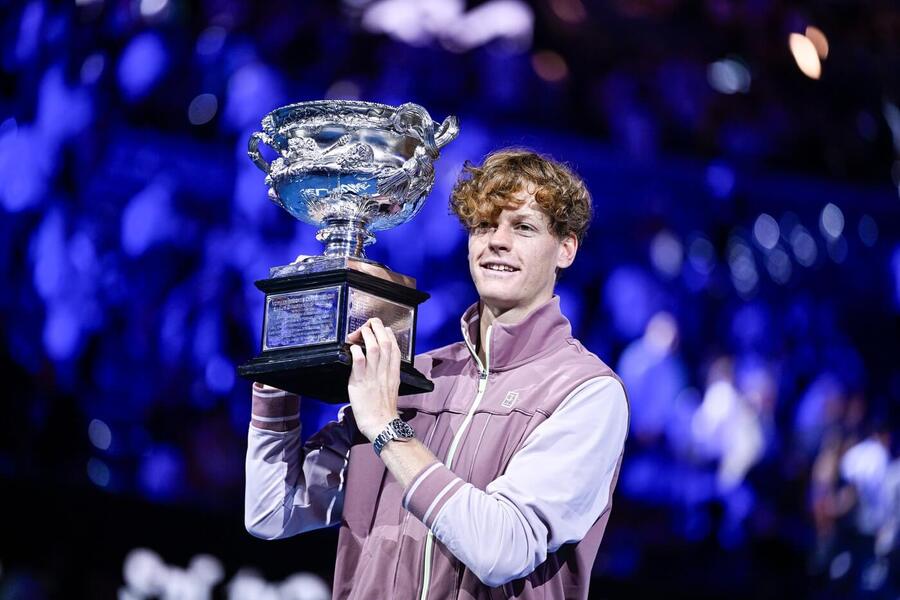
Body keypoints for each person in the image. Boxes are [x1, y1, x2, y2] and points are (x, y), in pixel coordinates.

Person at [245, 148, 629, 599]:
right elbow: (273, 512)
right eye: (484, 225)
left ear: (566, 248)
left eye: (522, 227)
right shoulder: (416, 378)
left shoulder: (587, 392)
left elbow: (500, 550)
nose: (497, 241)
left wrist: (387, 428)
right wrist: (279, 387)